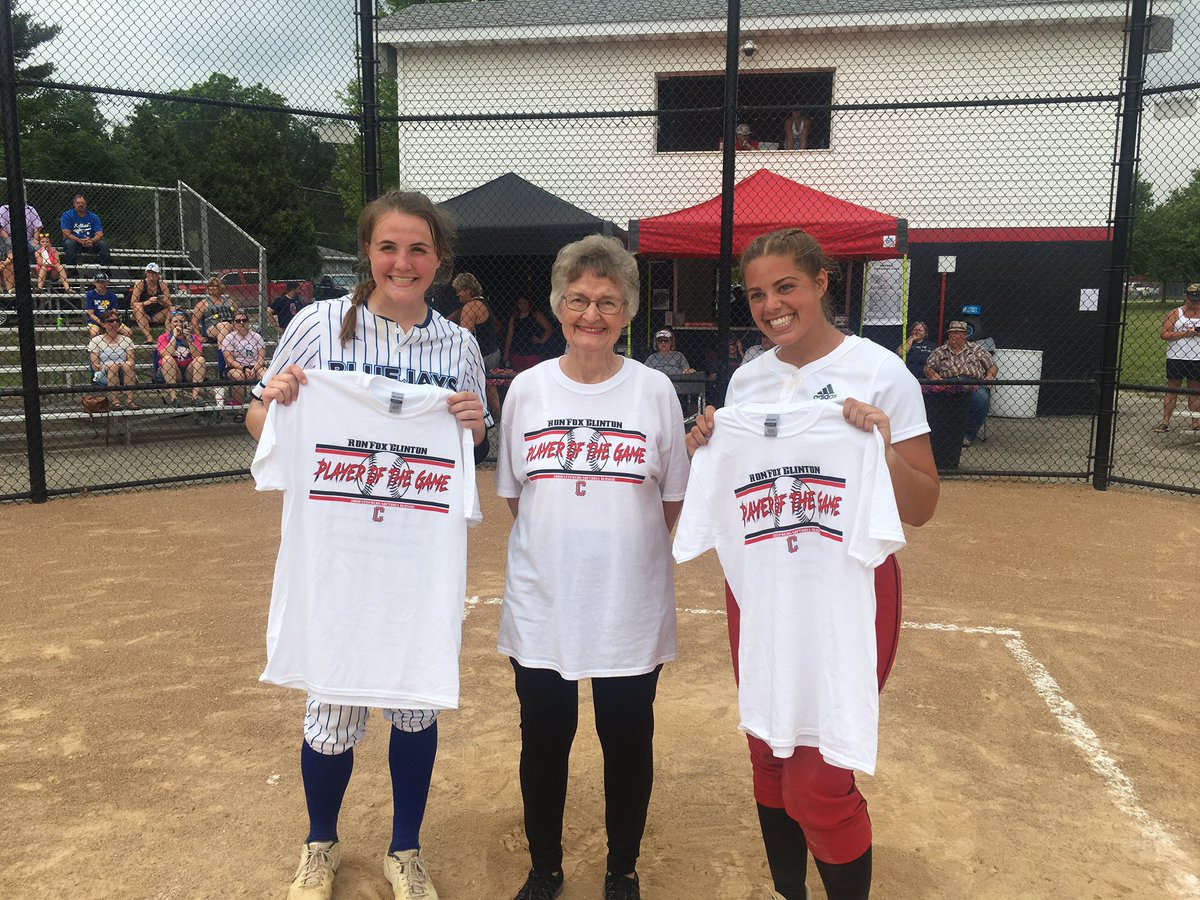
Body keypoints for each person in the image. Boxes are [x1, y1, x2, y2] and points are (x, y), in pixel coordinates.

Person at [245, 190, 490, 900]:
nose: (402, 262)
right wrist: (278, 402)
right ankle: (320, 843)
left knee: (415, 701)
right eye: (389, 247)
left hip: (416, 557)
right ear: (368, 252)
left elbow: (471, 445)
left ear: (439, 260)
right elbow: (260, 421)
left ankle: (404, 849)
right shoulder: (318, 325)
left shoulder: (459, 345)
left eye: (418, 249)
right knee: (333, 707)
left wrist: (474, 426)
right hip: (339, 554)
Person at [685, 228, 938, 900]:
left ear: (822, 282)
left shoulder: (880, 371)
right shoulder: (747, 380)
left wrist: (881, 448)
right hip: (761, 585)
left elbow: (922, 505)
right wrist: (703, 445)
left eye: (786, 287)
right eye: (756, 294)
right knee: (768, 755)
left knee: (818, 780)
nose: (771, 306)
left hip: (849, 585)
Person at [496, 235, 689, 900]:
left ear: (627, 311)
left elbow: (671, 499)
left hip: (627, 602)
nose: (592, 314)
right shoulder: (527, 390)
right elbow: (519, 496)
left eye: (608, 301)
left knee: (627, 741)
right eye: (578, 299)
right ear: (558, 306)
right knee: (544, 740)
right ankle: (545, 867)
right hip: (543, 600)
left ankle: (621, 868)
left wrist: (617, 547)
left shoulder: (654, 391)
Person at [923, 320, 997, 448]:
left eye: (956, 333)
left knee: (982, 399)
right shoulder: (941, 351)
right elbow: (928, 367)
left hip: (972, 382)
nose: (952, 336)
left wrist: (989, 376)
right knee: (934, 399)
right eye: (951, 333)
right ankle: (941, 433)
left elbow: (992, 366)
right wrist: (934, 376)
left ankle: (967, 435)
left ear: (964, 335)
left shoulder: (976, 349)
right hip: (948, 382)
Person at [452, 272, 503, 419]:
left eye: (459, 290)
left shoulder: (470, 306)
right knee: (490, 388)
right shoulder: (482, 302)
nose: (457, 294)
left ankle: (482, 419)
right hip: (492, 351)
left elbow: (464, 336)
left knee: (476, 387)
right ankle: (499, 420)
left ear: (467, 290)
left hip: (482, 354)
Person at [1154, 283, 1200, 433]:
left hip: (1197, 357)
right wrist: (1186, 333)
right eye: (1191, 299)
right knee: (1172, 388)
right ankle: (1165, 421)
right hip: (1176, 356)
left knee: (1195, 390)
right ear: (1186, 296)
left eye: (1197, 300)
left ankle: (1196, 422)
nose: (1194, 303)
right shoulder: (1175, 313)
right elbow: (1164, 334)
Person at [87, 312, 138, 408]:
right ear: (103, 324)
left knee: (128, 365)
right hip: (103, 372)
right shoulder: (96, 341)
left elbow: (132, 362)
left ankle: (130, 401)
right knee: (113, 367)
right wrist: (110, 366)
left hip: (124, 370)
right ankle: (116, 402)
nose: (115, 323)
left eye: (117, 320)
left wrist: (120, 365)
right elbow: (95, 366)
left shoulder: (127, 340)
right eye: (111, 321)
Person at [220, 312, 266, 416]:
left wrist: (254, 369)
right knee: (239, 376)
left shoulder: (256, 336)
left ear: (248, 322)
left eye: (244, 320)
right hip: (235, 366)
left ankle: (261, 405)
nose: (241, 323)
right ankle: (239, 408)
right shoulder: (229, 338)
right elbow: (229, 360)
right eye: (238, 321)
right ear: (233, 323)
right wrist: (244, 368)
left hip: (255, 365)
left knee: (264, 374)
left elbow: (261, 358)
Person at [156, 311, 206, 405]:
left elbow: (197, 356)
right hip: (171, 370)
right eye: (175, 321)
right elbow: (166, 354)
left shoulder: (193, 337)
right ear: (170, 324)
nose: (179, 324)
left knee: (200, 360)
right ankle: (173, 398)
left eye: (182, 321)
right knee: (167, 359)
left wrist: (189, 338)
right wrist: (174, 336)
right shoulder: (164, 337)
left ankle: (195, 398)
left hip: (188, 370)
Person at [59, 193, 111, 268]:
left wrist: (91, 240)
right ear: (74, 204)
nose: (80, 205)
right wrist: (80, 240)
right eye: (78, 203)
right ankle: (72, 271)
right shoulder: (67, 215)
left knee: (103, 244)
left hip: (90, 243)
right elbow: (66, 233)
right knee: (69, 243)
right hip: (75, 243)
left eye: (82, 203)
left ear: (85, 205)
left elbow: (100, 233)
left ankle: (106, 271)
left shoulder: (93, 216)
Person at [503, 295, 553, 372]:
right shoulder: (514, 317)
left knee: (532, 373)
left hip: (532, 351)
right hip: (517, 350)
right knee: (517, 374)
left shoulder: (535, 314)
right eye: (520, 303)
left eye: (524, 303)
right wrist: (506, 352)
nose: (522, 305)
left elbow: (549, 328)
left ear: (529, 303)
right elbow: (510, 335)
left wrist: (542, 340)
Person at [131, 263, 172, 342]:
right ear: (146, 273)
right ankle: (149, 337)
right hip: (143, 313)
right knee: (138, 308)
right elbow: (133, 304)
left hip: (158, 314)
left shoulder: (163, 285)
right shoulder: (140, 284)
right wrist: (147, 302)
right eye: (149, 272)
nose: (151, 275)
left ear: (158, 274)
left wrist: (163, 301)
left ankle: (168, 336)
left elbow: (170, 305)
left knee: (172, 309)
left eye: (154, 272)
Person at [191, 276, 239, 345]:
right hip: (212, 329)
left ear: (220, 287)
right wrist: (199, 336)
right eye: (209, 286)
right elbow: (194, 321)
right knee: (225, 325)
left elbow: (238, 316)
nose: (211, 288)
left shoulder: (230, 302)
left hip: (231, 326)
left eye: (214, 286)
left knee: (229, 325)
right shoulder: (203, 303)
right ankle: (222, 351)